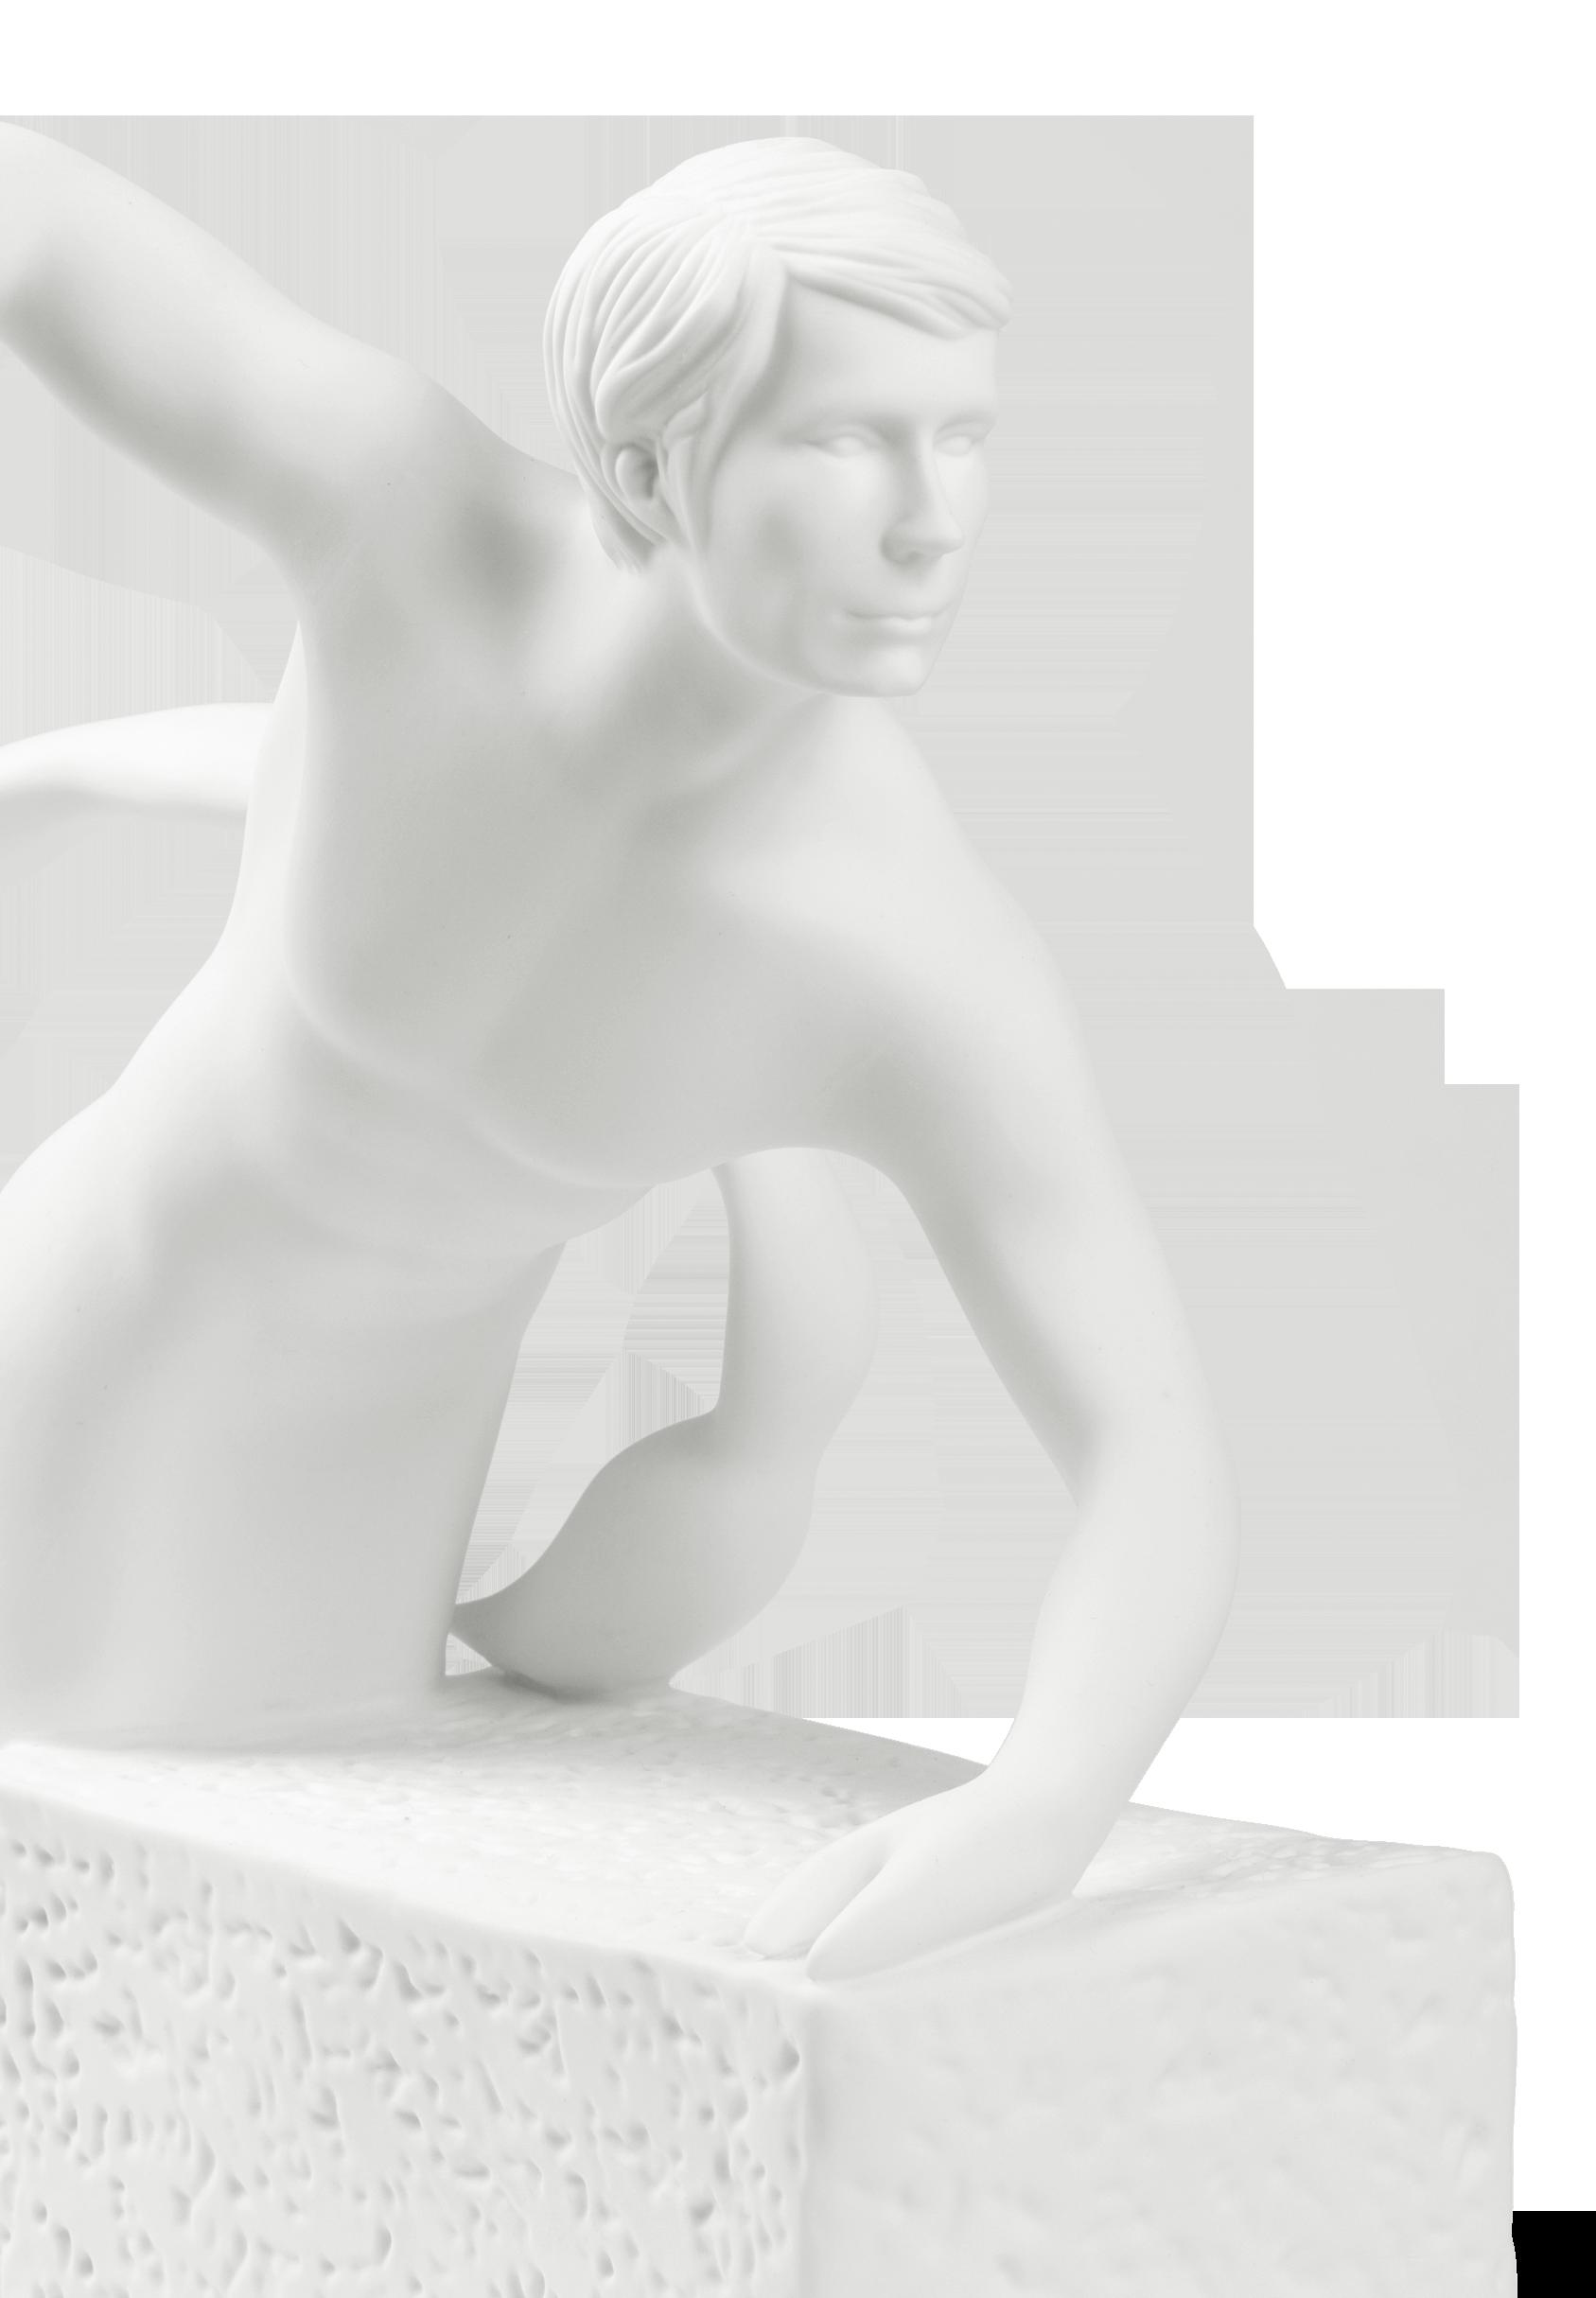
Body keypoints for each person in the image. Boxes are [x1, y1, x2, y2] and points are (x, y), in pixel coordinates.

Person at [0, 128, 1239, 1979]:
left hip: (359, 1508)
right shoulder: (409, 525)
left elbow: (1151, 1448)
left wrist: (1045, 1801)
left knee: (182, 1956)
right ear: (649, 460)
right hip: (76, 1315)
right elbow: (36, 220)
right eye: (848, 439)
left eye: (964, 437)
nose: (934, 519)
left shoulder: (900, 960)